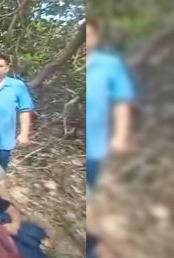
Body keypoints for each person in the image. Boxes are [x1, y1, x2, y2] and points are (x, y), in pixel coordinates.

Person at [85, 17, 136, 258]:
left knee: (95, 197)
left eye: (89, 35)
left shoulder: (110, 64)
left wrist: (121, 136)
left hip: (98, 145)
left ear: (96, 38)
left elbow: (122, 102)